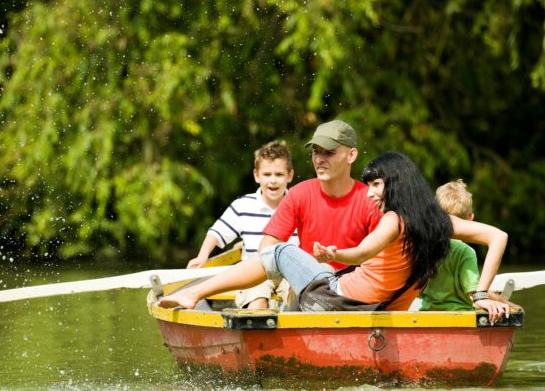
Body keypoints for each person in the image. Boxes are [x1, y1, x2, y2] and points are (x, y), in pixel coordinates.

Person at [157, 119, 384, 309]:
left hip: (349, 292)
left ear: (351, 155)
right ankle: (220, 304)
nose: (319, 159)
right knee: (267, 276)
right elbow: (268, 250)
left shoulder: (371, 200)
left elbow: (381, 263)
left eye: (329, 153)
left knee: (319, 271)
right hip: (305, 284)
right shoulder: (299, 194)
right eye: (316, 152)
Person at [185, 140, 299, 309]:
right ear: (256, 175)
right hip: (253, 273)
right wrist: (202, 256)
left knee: (298, 301)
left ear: (290, 175)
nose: (273, 181)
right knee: (257, 302)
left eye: (279, 174)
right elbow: (217, 232)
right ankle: (255, 329)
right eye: (267, 175)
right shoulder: (243, 205)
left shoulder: (298, 203)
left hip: (289, 273)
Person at [419, 179, 514, 321]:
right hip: (460, 317)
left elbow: (419, 291)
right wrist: (506, 303)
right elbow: (473, 294)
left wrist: (496, 297)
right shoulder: (465, 252)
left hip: (426, 315)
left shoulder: (424, 248)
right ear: (470, 218)